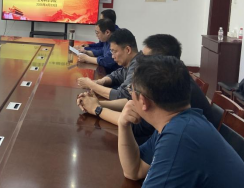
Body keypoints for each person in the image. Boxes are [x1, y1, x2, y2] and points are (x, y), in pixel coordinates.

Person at [118, 56, 244, 188]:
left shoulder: (181, 137)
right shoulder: (181, 123)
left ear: (143, 101)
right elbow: (134, 170)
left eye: (131, 90)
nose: (130, 96)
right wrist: (124, 126)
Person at [78, 34, 217, 143]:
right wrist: (99, 103)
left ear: (161, 64)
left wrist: (97, 109)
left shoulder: (170, 87)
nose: (139, 62)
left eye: (144, 59)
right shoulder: (173, 78)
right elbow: (132, 103)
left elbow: (136, 125)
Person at [77, 28, 139, 101]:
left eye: (114, 51)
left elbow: (122, 95)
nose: (112, 56)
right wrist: (100, 81)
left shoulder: (138, 67)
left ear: (128, 50)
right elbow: (116, 75)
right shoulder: (132, 63)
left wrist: (91, 85)